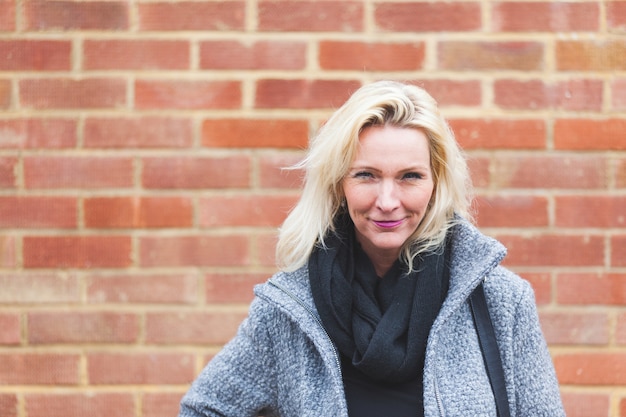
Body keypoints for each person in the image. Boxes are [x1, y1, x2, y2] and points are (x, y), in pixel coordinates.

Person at [178, 80, 565, 416]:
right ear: (338, 184)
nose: (387, 200)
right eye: (366, 175)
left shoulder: (500, 302)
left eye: (409, 177)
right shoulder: (289, 311)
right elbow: (204, 409)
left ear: (437, 184)